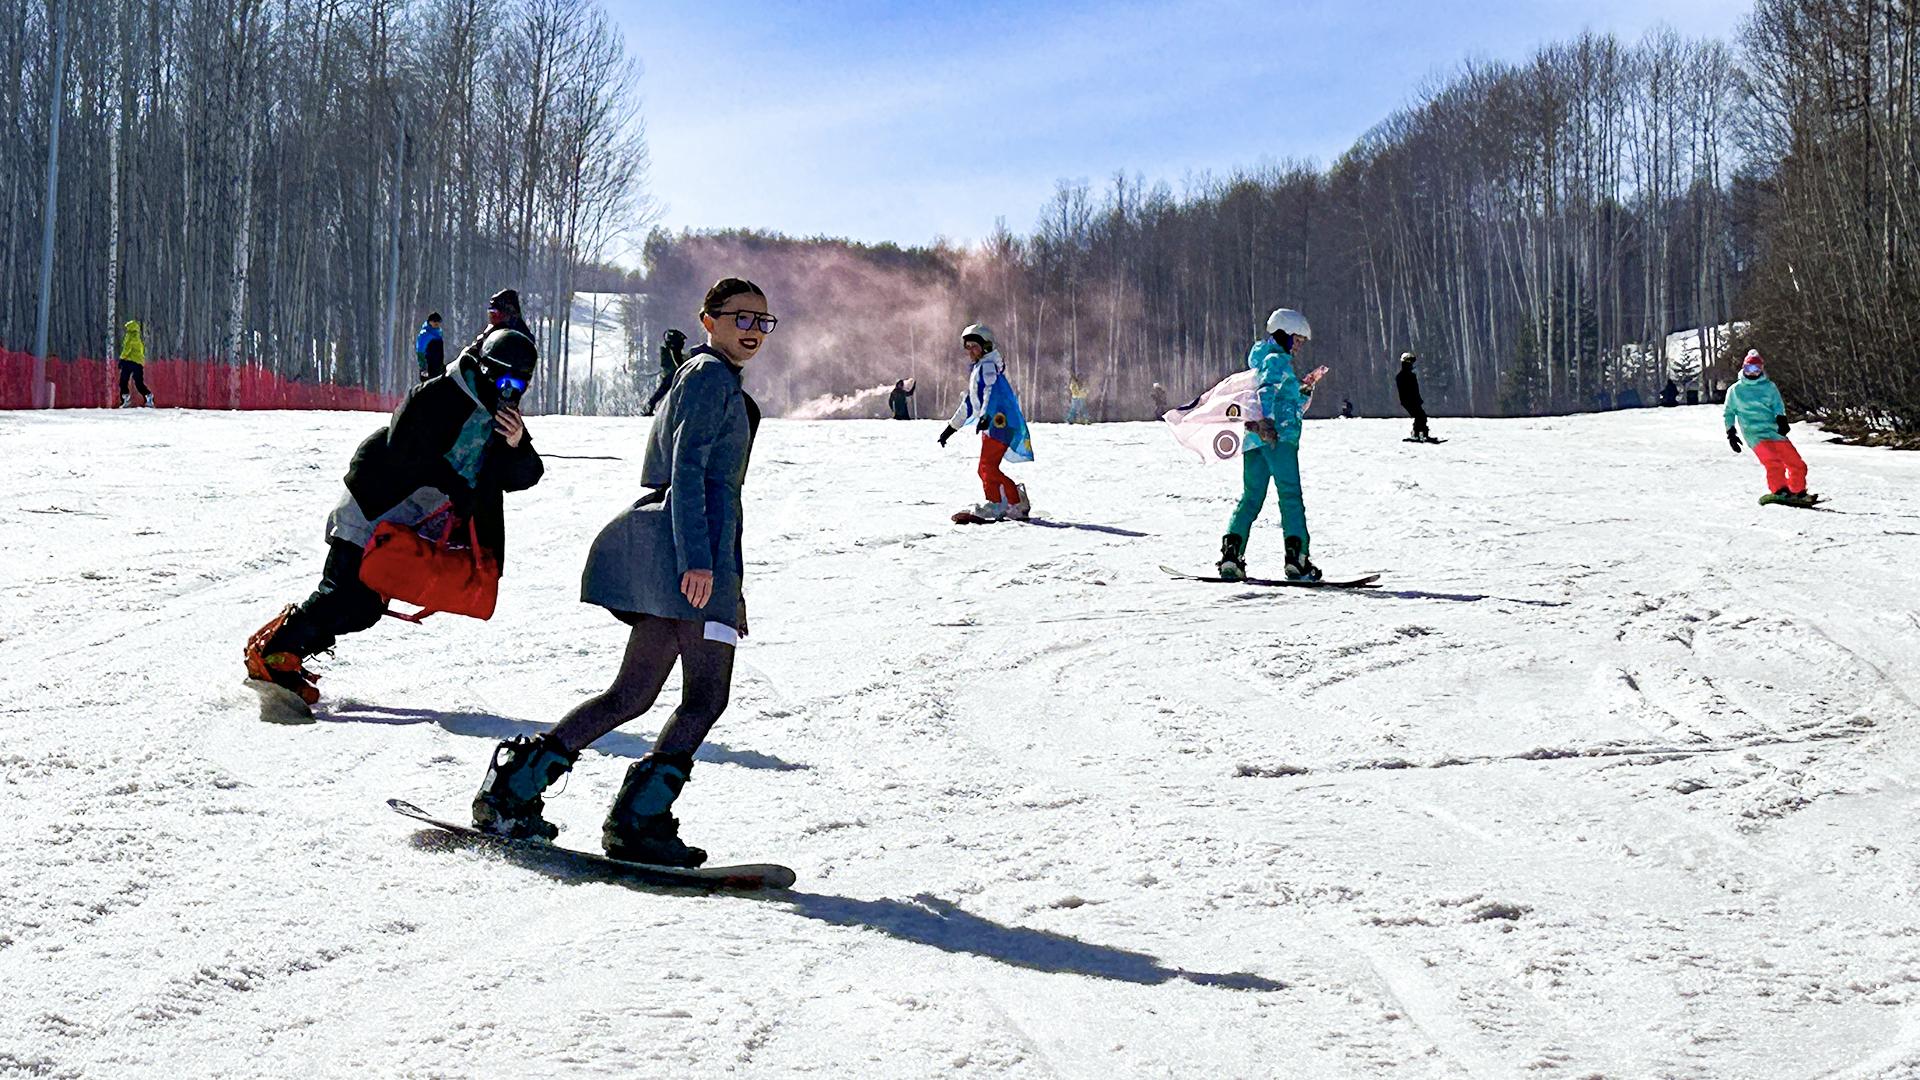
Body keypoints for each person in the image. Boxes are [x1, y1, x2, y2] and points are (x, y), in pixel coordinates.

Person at [469, 278, 770, 867]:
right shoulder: (709, 376)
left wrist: (724, 579)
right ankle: (638, 821)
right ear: (708, 320)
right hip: (689, 554)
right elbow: (689, 474)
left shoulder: (706, 377)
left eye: (764, 321)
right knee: (705, 697)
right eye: (741, 317)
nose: (754, 330)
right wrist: (702, 565)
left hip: (676, 552)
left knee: (631, 693)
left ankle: (513, 790)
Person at [242, 325, 545, 704]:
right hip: (374, 505)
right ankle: (273, 653)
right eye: (502, 380)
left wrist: (516, 445)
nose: (508, 391)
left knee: (365, 607)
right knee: (344, 593)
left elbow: (525, 475)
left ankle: (285, 655)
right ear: (485, 370)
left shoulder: (502, 419)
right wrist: (456, 484)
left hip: (405, 530)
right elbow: (403, 447)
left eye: (519, 385)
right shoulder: (441, 394)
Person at [1218, 308, 1319, 582]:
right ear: (1283, 334)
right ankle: (1297, 560)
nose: (1298, 346)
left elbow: (1289, 402)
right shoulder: (1277, 360)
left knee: (1251, 497)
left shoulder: (1262, 360)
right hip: (1278, 438)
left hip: (1254, 441)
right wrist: (1268, 423)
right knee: (1290, 496)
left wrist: (1305, 389)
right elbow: (1267, 391)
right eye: (1297, 340)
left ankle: (1231, 556)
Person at [938, 323, 1033, 522]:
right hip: (992, 426)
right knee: (985, 468)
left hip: (999, 424)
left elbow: (991, 393)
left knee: (988, 467)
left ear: (986, 346)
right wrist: (951, 428)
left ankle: (1007, 502)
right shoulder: (979, 368)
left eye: (974, 346)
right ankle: (1004, 500)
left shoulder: (988, 367)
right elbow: (970, 404)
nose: (970, 351)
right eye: (967, 347)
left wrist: (986, 416)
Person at [1724, 349, 1814, 506]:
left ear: (1761, 369)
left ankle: (1797, 491)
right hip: (1754, 434)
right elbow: (1729, 412)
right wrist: (1731, 432)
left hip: (1774, 431)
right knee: (1773, 463)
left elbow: (1778, 406)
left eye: (1756, 369)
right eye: (1749, 369)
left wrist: (1782, 420)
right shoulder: (1735, 390)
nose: (1752, 373)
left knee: (1797, 463)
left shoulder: (1769, 387)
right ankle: (1779, 490)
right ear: (1743, 369)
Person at [643, 328, 687, 416]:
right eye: (681, 342)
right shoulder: (673, 351)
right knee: (666, 390)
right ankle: (650, 406)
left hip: (670, 373)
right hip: (672, 373)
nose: (683, 344)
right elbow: (678, 362)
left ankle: (650, 406)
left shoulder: (670, 350)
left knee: (664, 390)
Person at [118, 320, 155, 408]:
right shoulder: (138, 338)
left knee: (123, 381)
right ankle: (148, 396)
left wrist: (122, 359)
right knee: (139, 382)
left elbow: (127, 349)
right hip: (138, 363)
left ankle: (125, 398)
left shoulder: (130, 337)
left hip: (129, 361)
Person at [1396, 351, 1431, 441]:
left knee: (1420, 416)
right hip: (1409, 401)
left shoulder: (1407, 375)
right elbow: (1410, 390)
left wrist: (1418, 400)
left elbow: (1415, 390)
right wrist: (1415, 400)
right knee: (1421, 416)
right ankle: (1419, 434)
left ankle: (1419, 433)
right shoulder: (1405, 376)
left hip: (1412, 401)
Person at [414, 312, 445, 383]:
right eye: (434, 321)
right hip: (428, 367)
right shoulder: (424, 334)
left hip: (438, 366)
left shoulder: (438, 333)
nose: (436, 323)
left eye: (438, 321)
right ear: (430, 322)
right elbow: (420, 351)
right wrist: (423, 366)